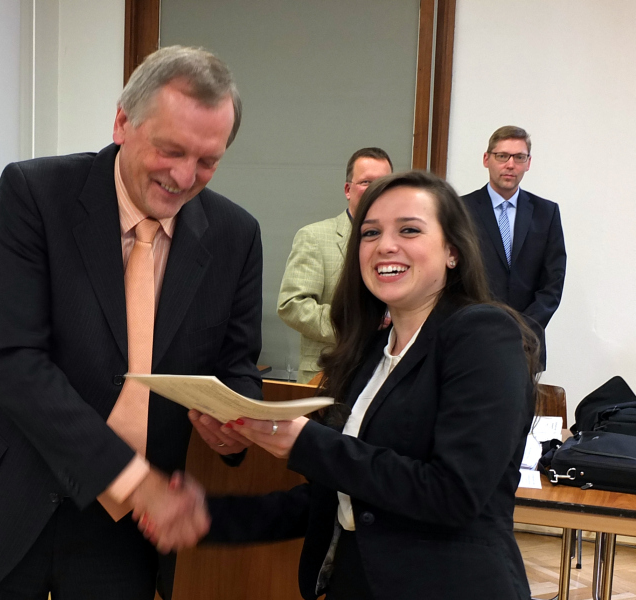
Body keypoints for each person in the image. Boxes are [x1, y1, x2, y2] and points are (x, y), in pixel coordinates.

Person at [0, 46, 262, 600]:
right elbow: (15, 362)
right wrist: (134, 479)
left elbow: (237, 364)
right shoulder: (35, 194)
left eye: (207, 161)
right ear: (123, 122)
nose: (184, 177)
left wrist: (234, 425)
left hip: (124, 533)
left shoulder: (236, 235)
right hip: (7, 496)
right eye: (171, 150)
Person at [205, 171, 539, 599]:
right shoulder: (369, 352)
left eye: (409, 230)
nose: (385, 246)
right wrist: (207, 517)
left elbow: (453, 493)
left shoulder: (482, 334)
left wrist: (306, 442)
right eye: (370, 233)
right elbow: (339, 498)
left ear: (453, 251)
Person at [277, 148, 392, 383]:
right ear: (348, 190)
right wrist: (354, 324)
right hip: (329, 374)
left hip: (387, 373)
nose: (376, 190)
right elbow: (291, 305)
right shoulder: (314, 237)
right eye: (366, 182)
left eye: (384, 183)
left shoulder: (399, 244)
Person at [462, 125, 566, 369]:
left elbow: (553, 283)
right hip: (472, 339)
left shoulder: (546, 213)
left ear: (528, 163)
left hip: (527, 345)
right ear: (486, 159)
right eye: (502, 156)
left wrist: (523, 329)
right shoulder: (461, 210)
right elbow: (453, 277)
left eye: (519, 157)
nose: (510, 165)